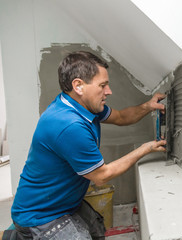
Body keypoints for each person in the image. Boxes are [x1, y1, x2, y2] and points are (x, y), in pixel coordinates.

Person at [2, 51, 166, 239]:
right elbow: (101, 176)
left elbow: (121, 117)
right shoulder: (69, 125)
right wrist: (146, 148)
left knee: (97, 230)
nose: (109, 91)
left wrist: (148, 106)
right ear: (78, 86)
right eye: (102, 85)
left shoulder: (81, 105)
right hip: (40, 215)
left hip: (65, 202)